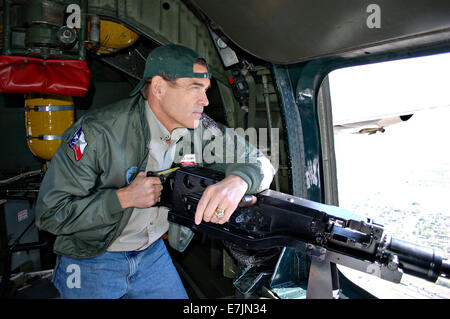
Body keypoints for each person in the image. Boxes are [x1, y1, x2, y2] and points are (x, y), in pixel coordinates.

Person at [35, 43, 275, 299]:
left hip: (151, 254)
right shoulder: (98, 133)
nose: (205, 101)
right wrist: (122, 199)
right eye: (195, 88)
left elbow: (260, 161)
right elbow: (51, 214)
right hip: (90, 257)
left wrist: (238, 181)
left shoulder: (200, 129)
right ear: (159, 88)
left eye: (206, 90)